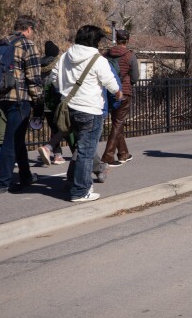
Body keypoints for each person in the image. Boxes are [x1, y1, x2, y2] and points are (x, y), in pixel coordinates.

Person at [53, 25, 122, 202]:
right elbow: (109, 81)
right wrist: (117, 92)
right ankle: (81, 190)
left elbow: (54, 77)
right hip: (90, 109)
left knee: (80, 149)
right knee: (86, 151)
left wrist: (64, 90)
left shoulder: (66, 56)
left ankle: (74, 182)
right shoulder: (97, 59)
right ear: (95, 41)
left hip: (69, 107)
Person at [0, 15, 43, 195]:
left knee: (18, 138)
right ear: (29, 28)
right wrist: (38, 100)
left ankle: (26, 175)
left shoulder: (2, 43)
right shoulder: (28, 45)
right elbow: (33, 77)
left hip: (0, 97)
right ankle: (2, 182)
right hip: (20, 98)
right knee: (11, 140)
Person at [100, 30, 139, 166]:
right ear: (127, 40)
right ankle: (107, 156)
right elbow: (135, 77)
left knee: (118, 123)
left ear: (116, 39)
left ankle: (123, 153)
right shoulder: (129, 56)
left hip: (109, 92)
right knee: (118, 123)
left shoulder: (106, 55)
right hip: (124, 92)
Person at [38, 41, 68, 167]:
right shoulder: (58, 64)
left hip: (43, 102)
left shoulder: (40, 65)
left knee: (53, 127)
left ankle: (57, 153)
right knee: (62, 127)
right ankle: (55, 153)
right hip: (56, 100)